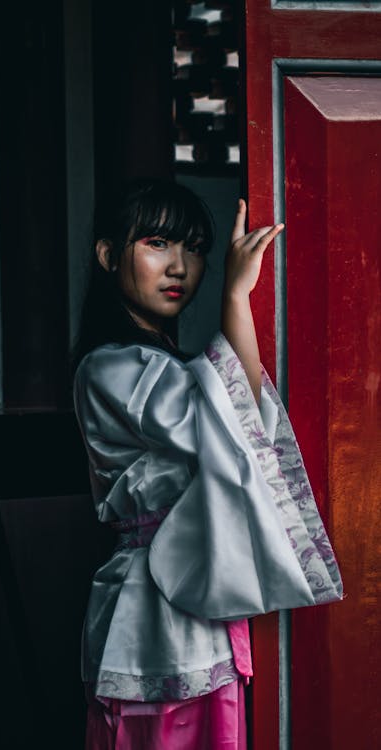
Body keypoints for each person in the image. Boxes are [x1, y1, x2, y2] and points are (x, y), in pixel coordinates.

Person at [72, 178, 343, 750]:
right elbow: (223, 416)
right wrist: (236, 298)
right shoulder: (110, 369)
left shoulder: (162, 364)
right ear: (106, 255)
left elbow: (231, 411)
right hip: (147, 606)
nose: (179, 266)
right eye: (157, 243)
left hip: (197, 588)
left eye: (194, 248)